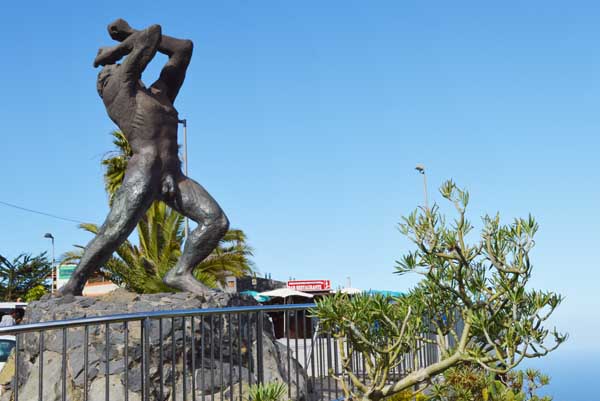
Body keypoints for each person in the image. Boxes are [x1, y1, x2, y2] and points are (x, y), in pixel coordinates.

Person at [60, 19, 229, 296]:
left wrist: (125, 37)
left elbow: (183, 49)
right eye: (109, 72)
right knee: (114, 231)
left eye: (116, 65)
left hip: (174, 175)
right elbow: (150, 38)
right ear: (104, 86)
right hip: (145, 169)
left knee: (216, 221)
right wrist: (117, 51)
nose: (114, 70)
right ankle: (73, 284)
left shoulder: (159, 95)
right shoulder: (118, 95)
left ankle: (179, 272)